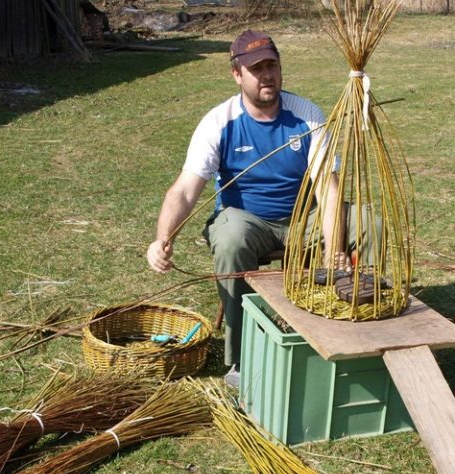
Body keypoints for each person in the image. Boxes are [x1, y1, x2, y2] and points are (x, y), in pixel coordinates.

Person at [146, 29, 352, 388]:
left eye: (272, 65)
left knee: (369, 223)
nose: (267, 75)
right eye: (256, 69)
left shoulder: (307, 115)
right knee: (230, 239)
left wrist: (335, 251)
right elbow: (184, 190)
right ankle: (241, 357)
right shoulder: (219, 122)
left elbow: (328, 189)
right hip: (247, 220)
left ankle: (351, 329)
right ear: (237, 75)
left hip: (303, 218)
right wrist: (162, 238)